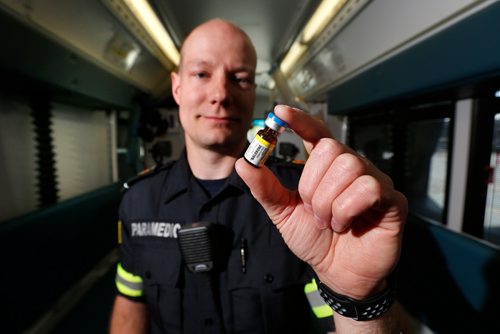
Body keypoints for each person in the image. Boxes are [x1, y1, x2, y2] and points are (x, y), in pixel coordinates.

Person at [109, 18, 408, 334]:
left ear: (254, 92)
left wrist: (359, 297)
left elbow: (333, 324)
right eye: (201, 74)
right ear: (177, 87)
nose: (221, 94)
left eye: (239, 78)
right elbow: (130, 303)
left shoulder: (306, 200)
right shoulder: (137, 201)